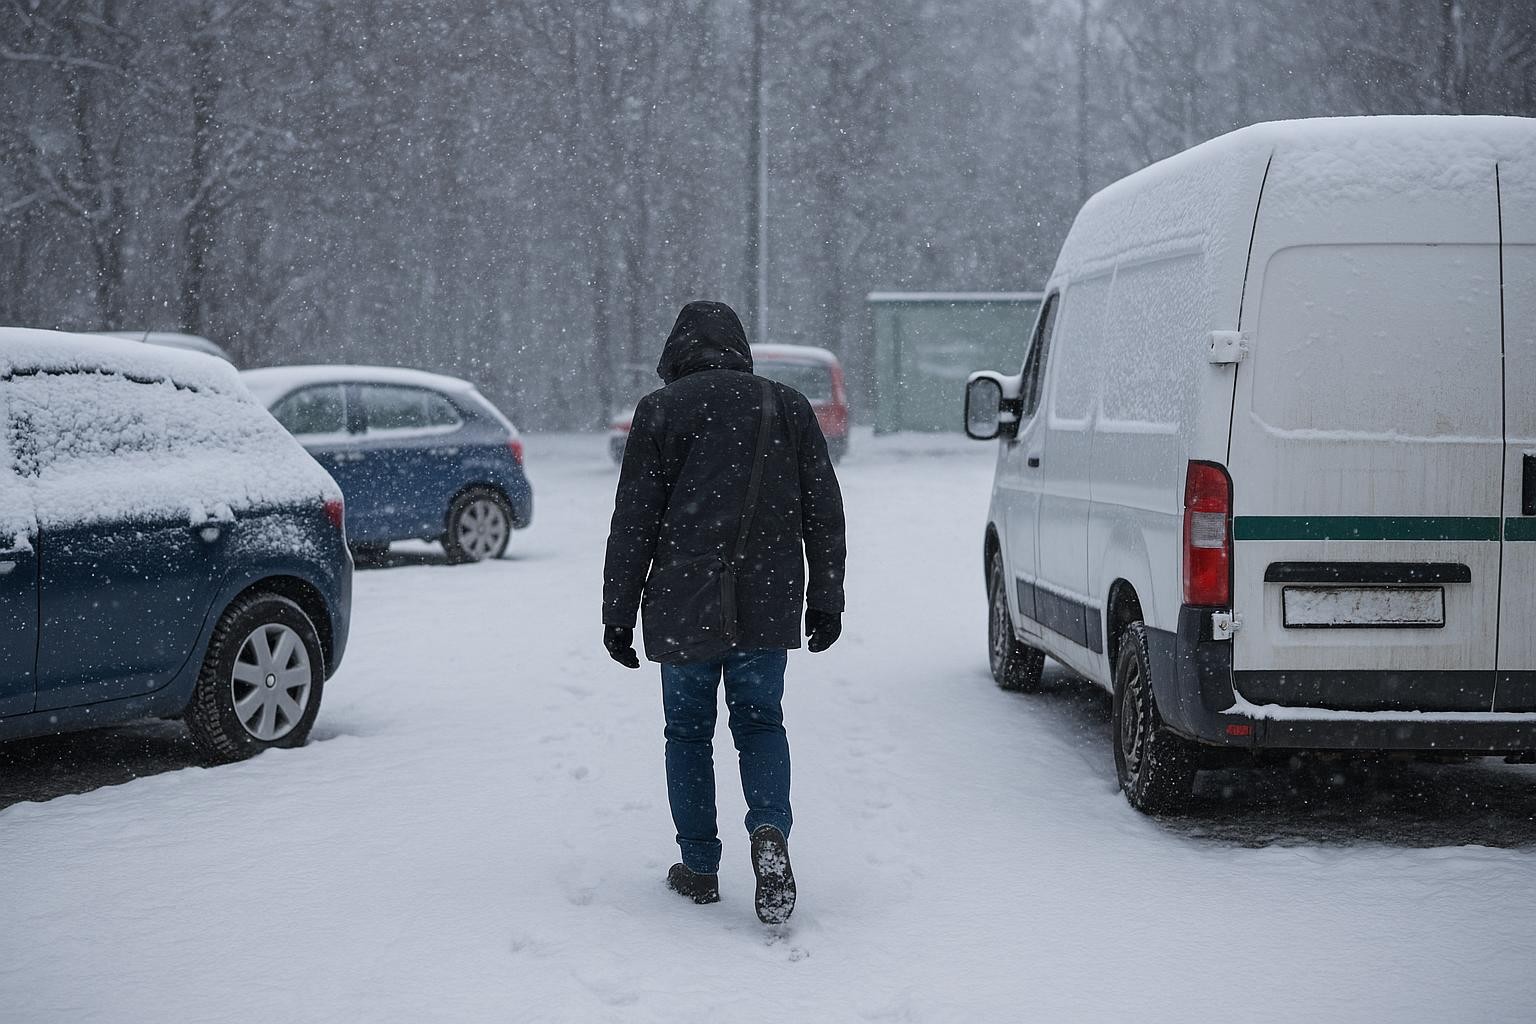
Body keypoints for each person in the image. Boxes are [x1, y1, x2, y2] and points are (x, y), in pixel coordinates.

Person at [602, 300, 846, 925]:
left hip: (683, 606)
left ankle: (700, 867)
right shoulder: (785, 406)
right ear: (739, 347)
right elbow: (823, 511)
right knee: (760, 723)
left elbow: (633, 521)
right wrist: (826, 599)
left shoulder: (660, 412)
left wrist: (618, 612)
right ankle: (769, 833)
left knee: (687, 733)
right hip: (765, 601)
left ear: (677, 350)